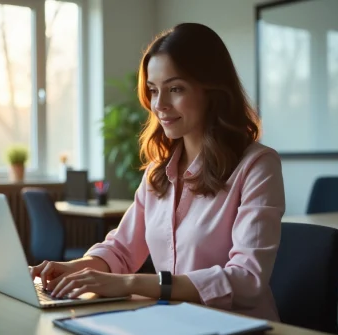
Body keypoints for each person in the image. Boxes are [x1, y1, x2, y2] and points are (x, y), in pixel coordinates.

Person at [30, 22, 285, 321]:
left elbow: (247, 279)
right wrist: (77, 267)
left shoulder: (257, 165)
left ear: (212, 90)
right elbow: (122, 248)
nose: (159, 105)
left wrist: (129, 283)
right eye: (153, 90)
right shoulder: (158, 172)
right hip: (172, 321)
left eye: (175, 89)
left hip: (238, 325)